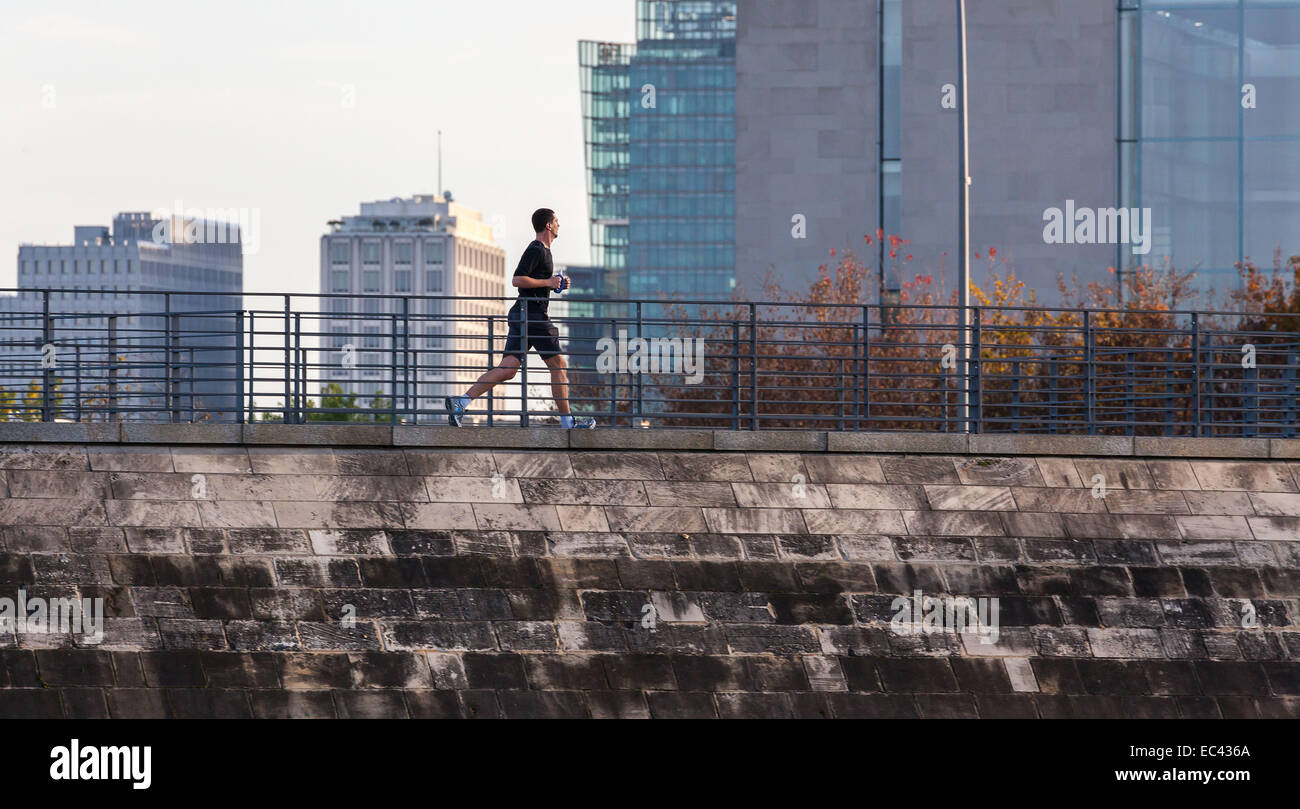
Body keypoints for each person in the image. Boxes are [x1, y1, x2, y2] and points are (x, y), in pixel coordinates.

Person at [445, 208, 595, 428]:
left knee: (508, 369)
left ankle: (461, 402)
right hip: (533, 315)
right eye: (556, 222)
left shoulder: (544, 252)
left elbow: (535, 281)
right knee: (559, 366)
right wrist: (548, 283)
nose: (559, 225)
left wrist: (556, 283)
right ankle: (568, 422)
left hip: (523, 314)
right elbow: (517, 280)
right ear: (548, 226)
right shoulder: (537, 249)